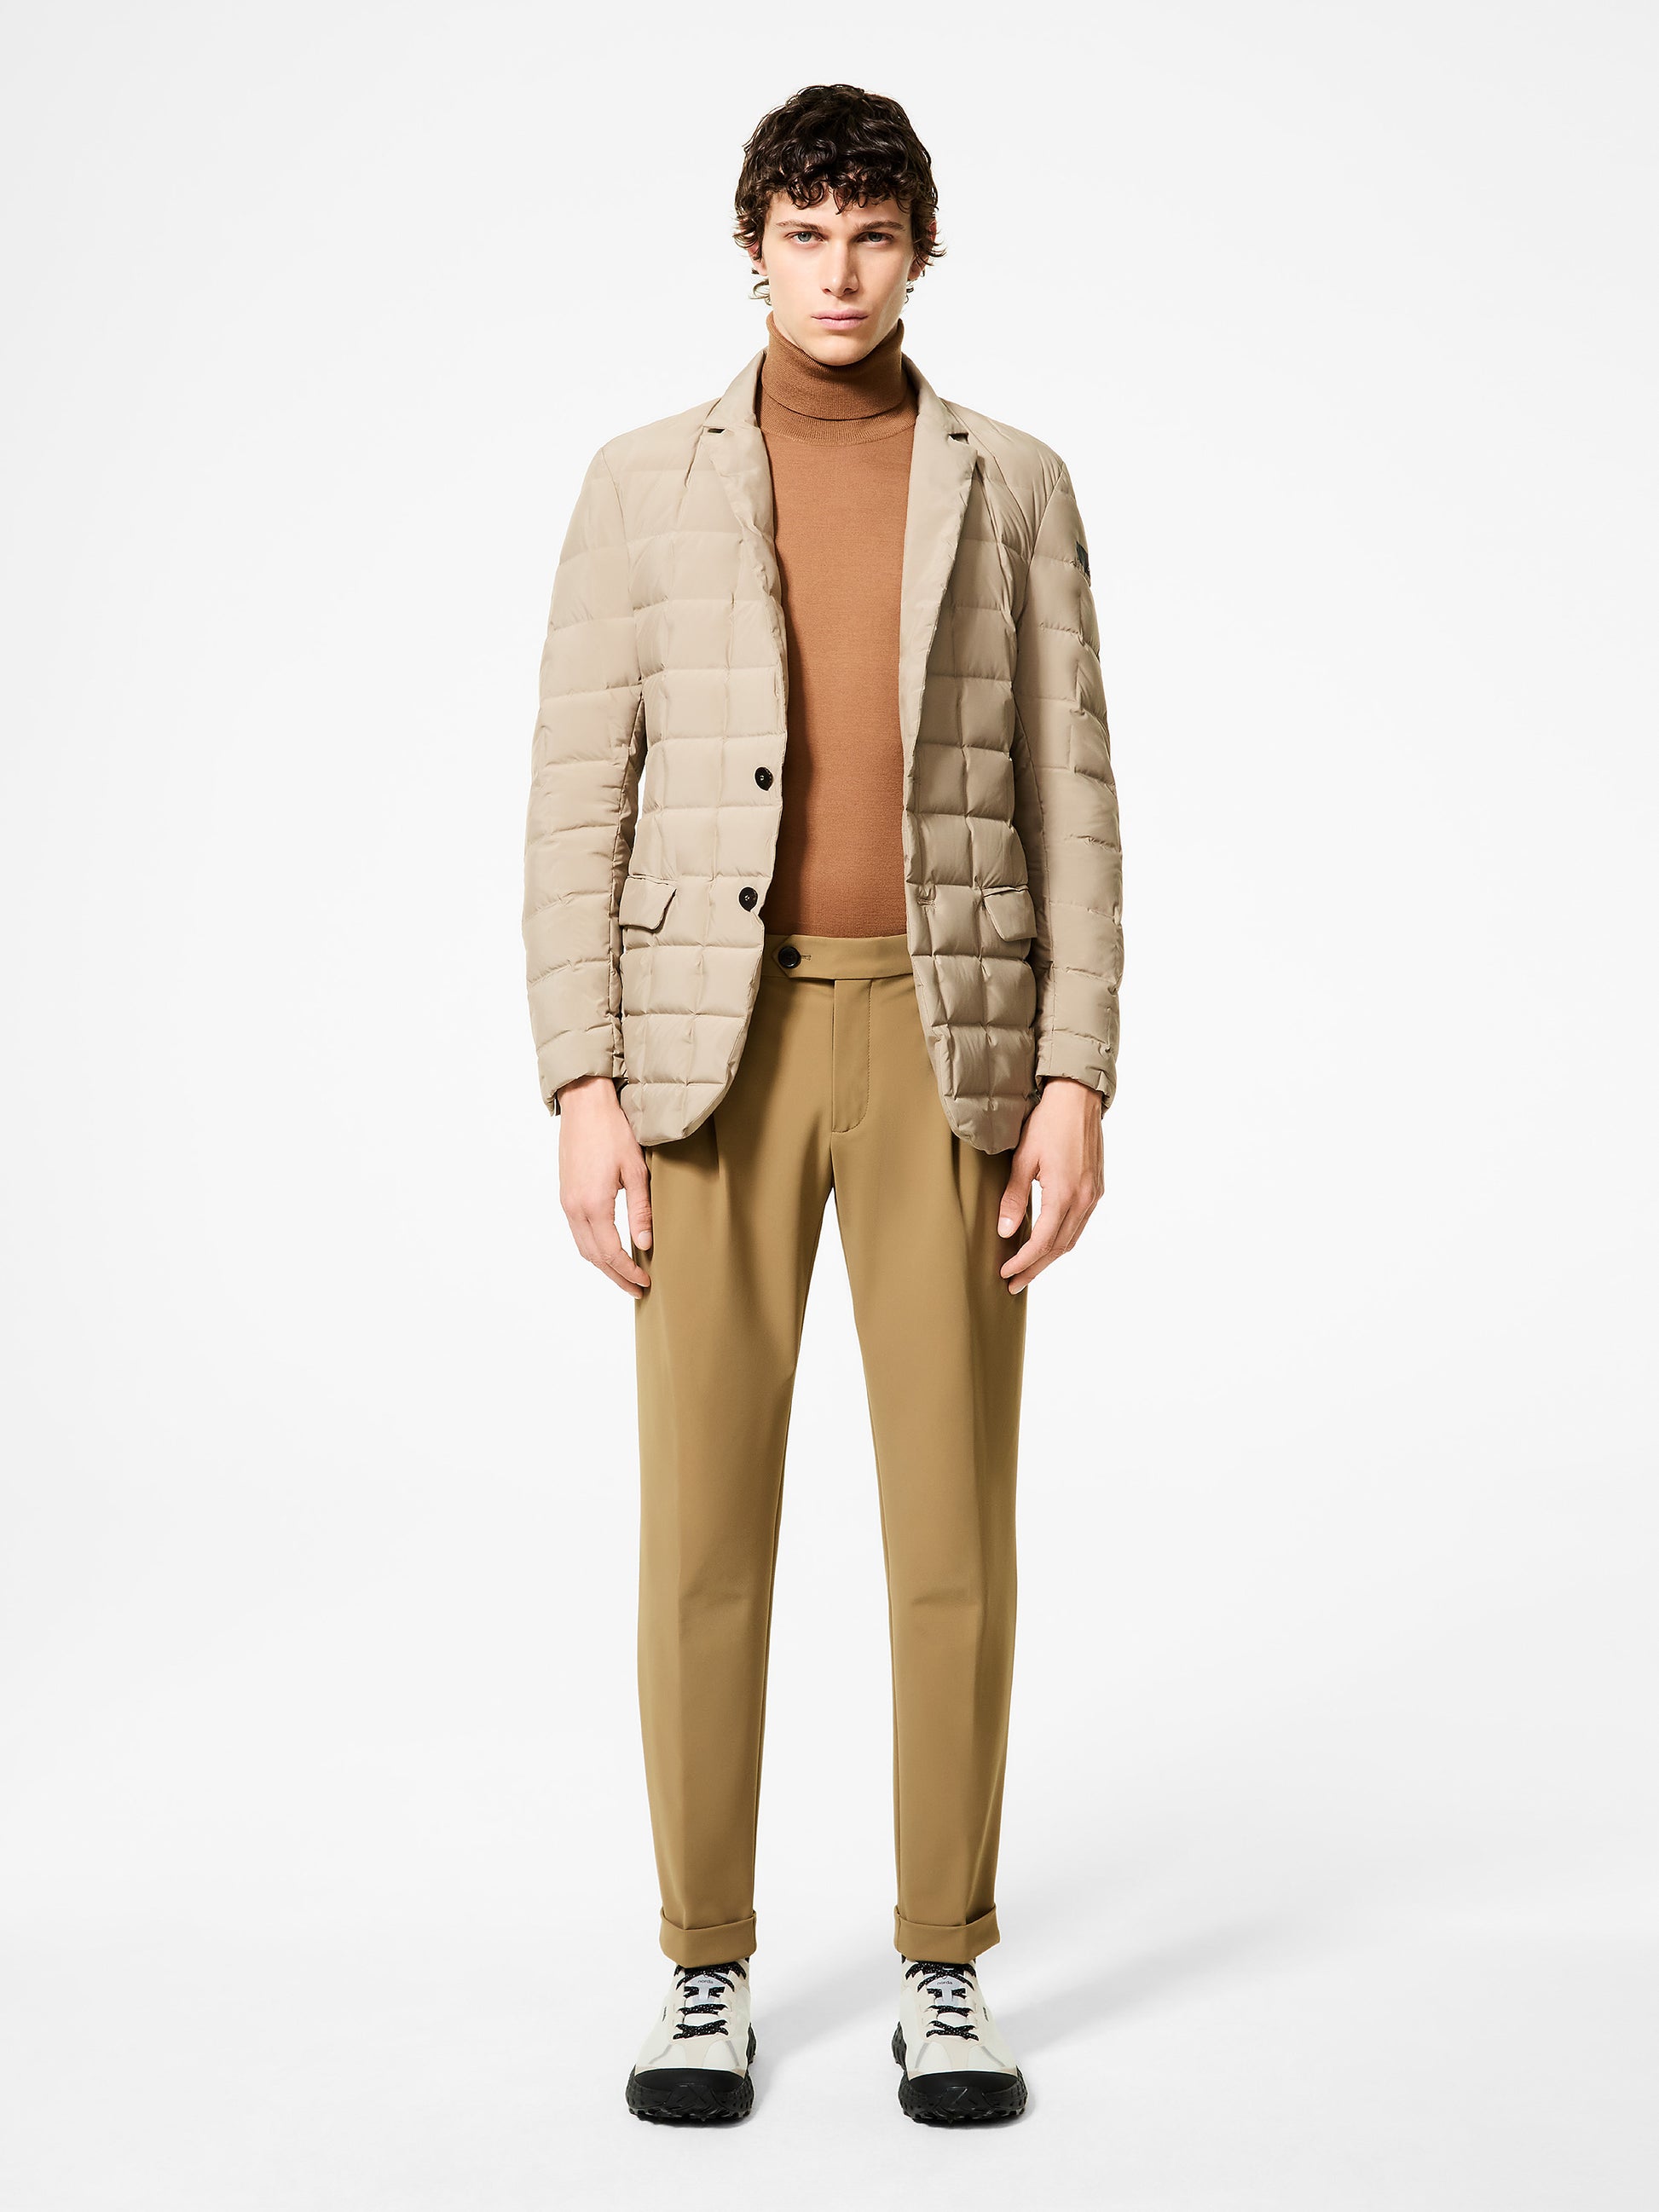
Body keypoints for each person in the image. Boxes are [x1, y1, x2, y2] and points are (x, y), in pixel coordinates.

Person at [522, 82, 1123, 2127]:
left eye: (873, 234)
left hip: (952, 1045)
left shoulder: (1014, 483)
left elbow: (1075, 795)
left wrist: (1076, 1071)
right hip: (713, 1053)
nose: (840, 271)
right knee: (703, 1530)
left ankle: (945, 1961)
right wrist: (582, 1080)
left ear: (920, 251)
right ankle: (704, 1963)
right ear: (754, 247)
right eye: (805, 232)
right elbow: (572, 796)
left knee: (953, 1532)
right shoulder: (639, 485)